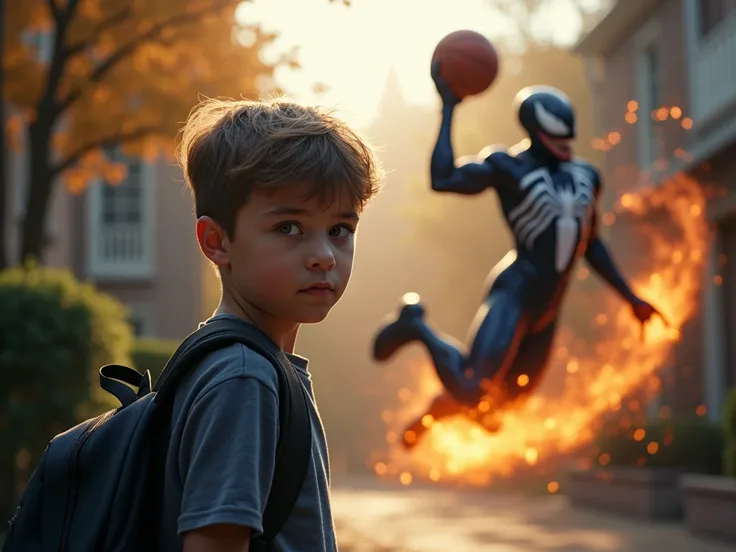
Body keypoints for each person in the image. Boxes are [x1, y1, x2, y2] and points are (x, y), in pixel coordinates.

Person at [372, 61, 664, 448]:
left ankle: (430, 415)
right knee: (476, 386)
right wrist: (448, 107)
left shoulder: (586, 177)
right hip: (516, 290)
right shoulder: (507, 166)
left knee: (498, 407)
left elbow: (589, 243)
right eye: (555, 137)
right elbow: (443, 178)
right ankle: (417, 325)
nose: (565, 146)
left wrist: (631, 298)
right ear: (536, 130)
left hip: (548, 307)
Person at [164, 97, 381, 551]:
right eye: (289, 227)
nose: (324, 254)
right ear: (216, 241)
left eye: (340, 229)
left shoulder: (251, 366)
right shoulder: (244, 379)